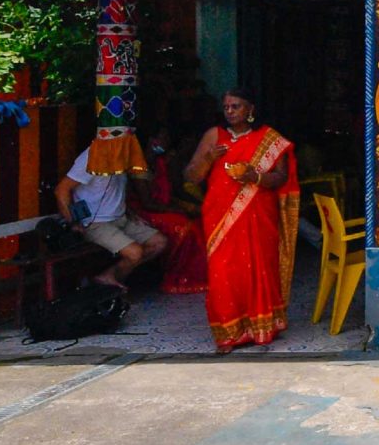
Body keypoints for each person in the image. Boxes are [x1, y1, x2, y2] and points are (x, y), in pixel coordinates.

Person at [183, 90, 299, 352]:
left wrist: (254, 177)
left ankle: (261, 329)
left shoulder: (269, 138)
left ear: (250, 109)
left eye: (236, 106)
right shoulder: (214, 136)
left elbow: (281, 177)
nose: (230, 111)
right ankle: (228, 333)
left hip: (259, 214)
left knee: (259, 268)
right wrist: (209, 159)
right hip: (219, 215)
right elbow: (192, 176)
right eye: (226, 107)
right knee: (223, 271)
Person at [55, 140, 167, 292]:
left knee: (158, 243)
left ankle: (109, 278)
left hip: (120, 218)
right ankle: (107, 282)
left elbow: (116, 192)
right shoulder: (92, 156)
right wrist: (75, 223)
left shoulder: (123, 156)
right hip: (95, 223)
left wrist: (130, 212)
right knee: (135, 253)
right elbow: (62, 190)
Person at [130, 127, 206, 294]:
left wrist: (181, 207)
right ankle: (178, 276)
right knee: (185, 227)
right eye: (163, 138)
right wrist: (176, 210)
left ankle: (196, 275)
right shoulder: (138, 165)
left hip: (162, 207)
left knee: (198, 222)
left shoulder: (160, 162)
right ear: (151, 141)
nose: (166, 143)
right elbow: (147, 203)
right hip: (146, 212)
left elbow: (172, 191)